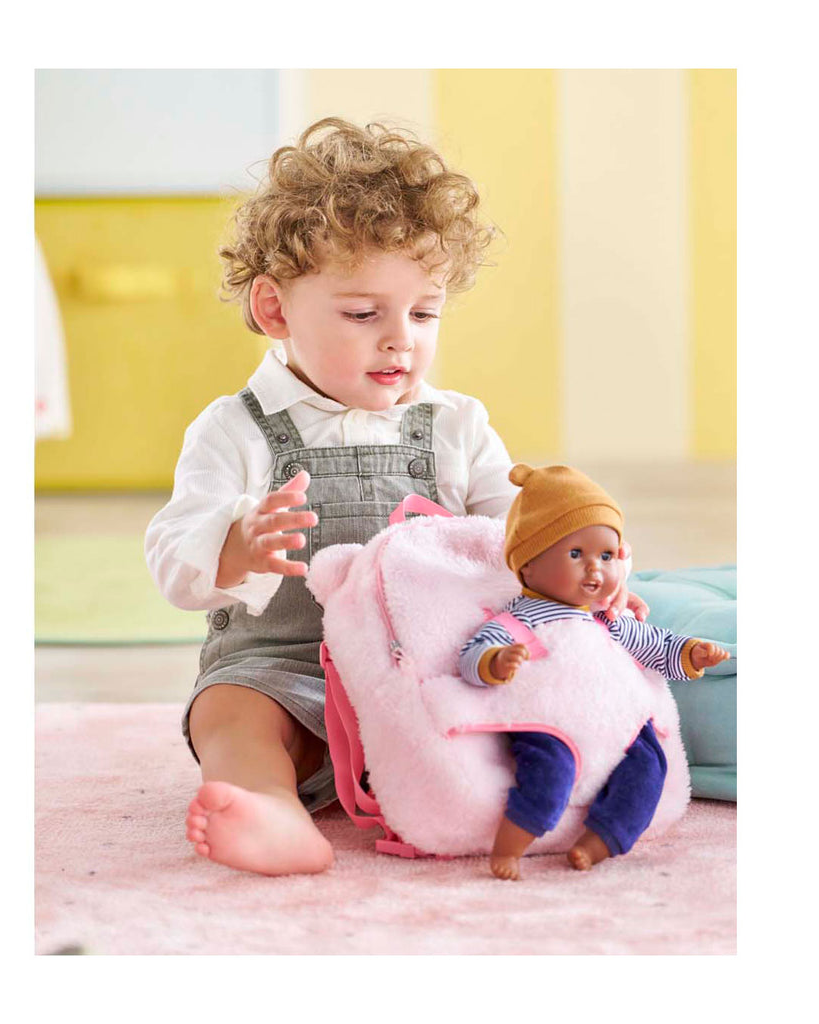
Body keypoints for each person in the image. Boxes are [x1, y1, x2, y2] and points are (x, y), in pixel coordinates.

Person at [145, 118, 643, 876]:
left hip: (430, 666)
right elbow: (173, 557)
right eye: (362, 314)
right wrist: (234, 545)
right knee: (230, 713)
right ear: (275, 310)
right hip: (285, 667)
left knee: (537, 686)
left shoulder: (456, 425)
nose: (400, 339)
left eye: (424, 312)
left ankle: (535, 792)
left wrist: (588, 580)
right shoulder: (234, 430)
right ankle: (270, 809)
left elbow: (518, 538)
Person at [458, 464, 730, 880]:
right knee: (547, 774)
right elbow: (471, 655)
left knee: (649, 768)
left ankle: (601, 840)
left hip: (616, 721)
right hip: (551, 720)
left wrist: (691, 653)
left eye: (606, 556)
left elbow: (654, 644)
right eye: (575, 555)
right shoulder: (517, 620)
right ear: (528, 566)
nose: (595, 569)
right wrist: (495, 662)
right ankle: (510, 847)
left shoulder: (607, 617)